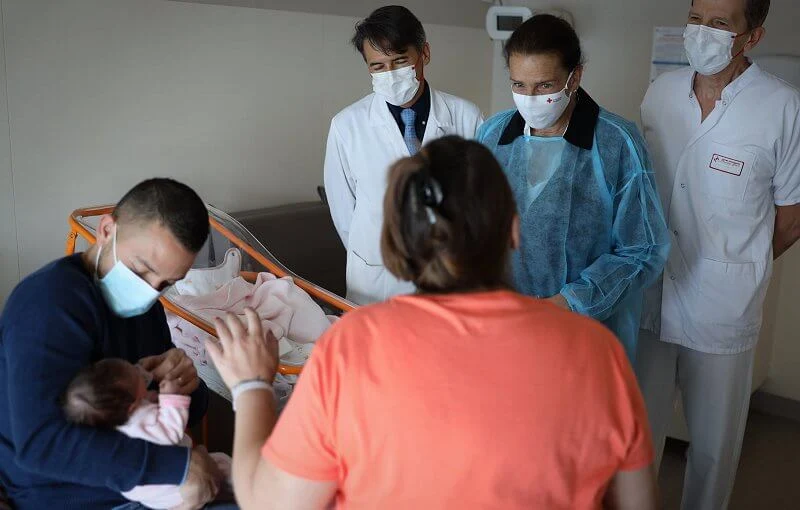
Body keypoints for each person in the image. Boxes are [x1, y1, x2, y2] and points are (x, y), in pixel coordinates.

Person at [207, 136, 659, 509]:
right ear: (515, 230)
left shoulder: (351, 347)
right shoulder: (596, 351)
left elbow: (271, 504)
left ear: (400, 240)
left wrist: (251, 388)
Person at [637, 0, 800, 508]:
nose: (701, 32)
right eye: (695, 18)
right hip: (651, 294)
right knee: (640, 441)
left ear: (751, 36)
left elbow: (791, 218)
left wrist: (738, 267)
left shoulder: (782, 106)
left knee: (712, 449)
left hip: (723, 309)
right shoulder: (660, 93)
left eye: (720, 23)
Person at [0, 178, 231, 509]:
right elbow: (43, 444)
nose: (151, 290)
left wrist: (186, 385)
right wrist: (178, 468)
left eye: (166, 283)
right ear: (106, 230)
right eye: (141, 271)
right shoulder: (50, 304)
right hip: (75, 496)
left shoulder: (146, 308)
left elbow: (176, 414)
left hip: (145, 484)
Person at [476, 14, 670, 361]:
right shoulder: (493, 135)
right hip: (503, 326)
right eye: (518, 85)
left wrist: (568, 302)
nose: (530, 98)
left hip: (584, 336)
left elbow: (641, 249)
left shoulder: (615, 143)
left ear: (574, 77)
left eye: (544, 86)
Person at [324, 5, 483, 305]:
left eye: (399, 61)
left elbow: (479, 202)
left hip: (447, 275)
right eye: (378, 67)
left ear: (424, 53)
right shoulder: (347, 125)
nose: (390, 75)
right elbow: (344, 211)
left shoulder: (466, 117)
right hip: (375, 280)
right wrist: (372, 251)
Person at [62, 358, 234, 509]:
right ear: (133, 406)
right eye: (138, 379)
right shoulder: (145, 419)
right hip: (176, 491)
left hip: (154, 499)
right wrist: (171, 397)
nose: (141, 375)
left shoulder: (109, 427)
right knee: (224, 463)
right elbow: (170, 432)